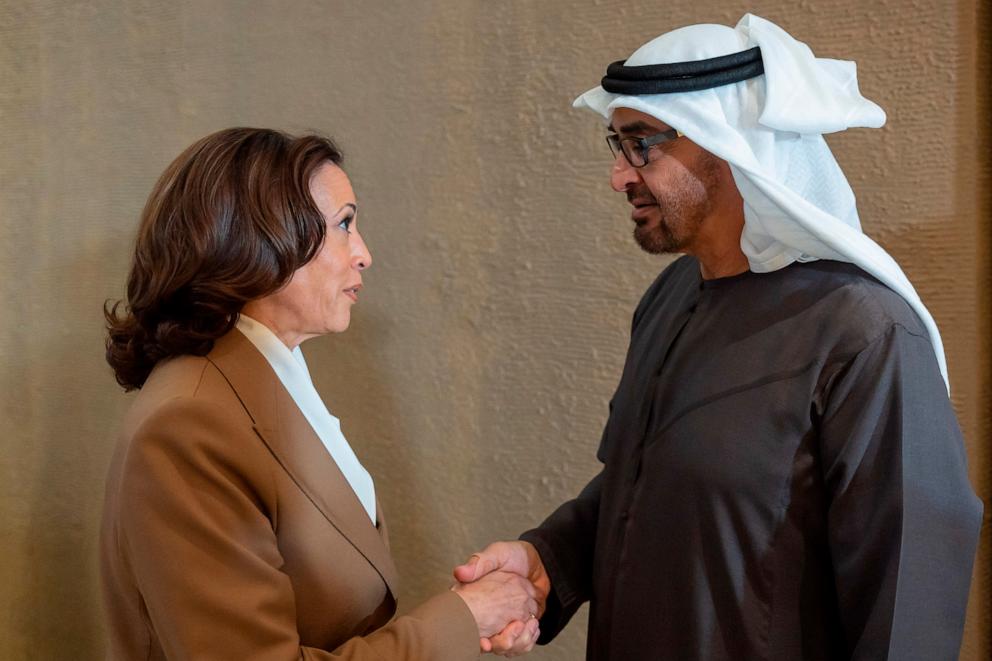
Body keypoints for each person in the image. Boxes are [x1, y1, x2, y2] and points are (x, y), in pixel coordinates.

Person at [454, 14, 983, 660]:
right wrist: (549, 560)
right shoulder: (670, 298)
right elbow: (659, 488)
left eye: (641, 144)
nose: (620, 176)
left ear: (725, 141)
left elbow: (907, 618)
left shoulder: (867, 338)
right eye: (616, 144)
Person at [100, 127, 539, 660]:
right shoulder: (190, 425)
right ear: (257, 239)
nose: (364, 254)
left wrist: (470, 619)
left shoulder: (267, 378)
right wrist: (463, 621)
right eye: (344, 224)